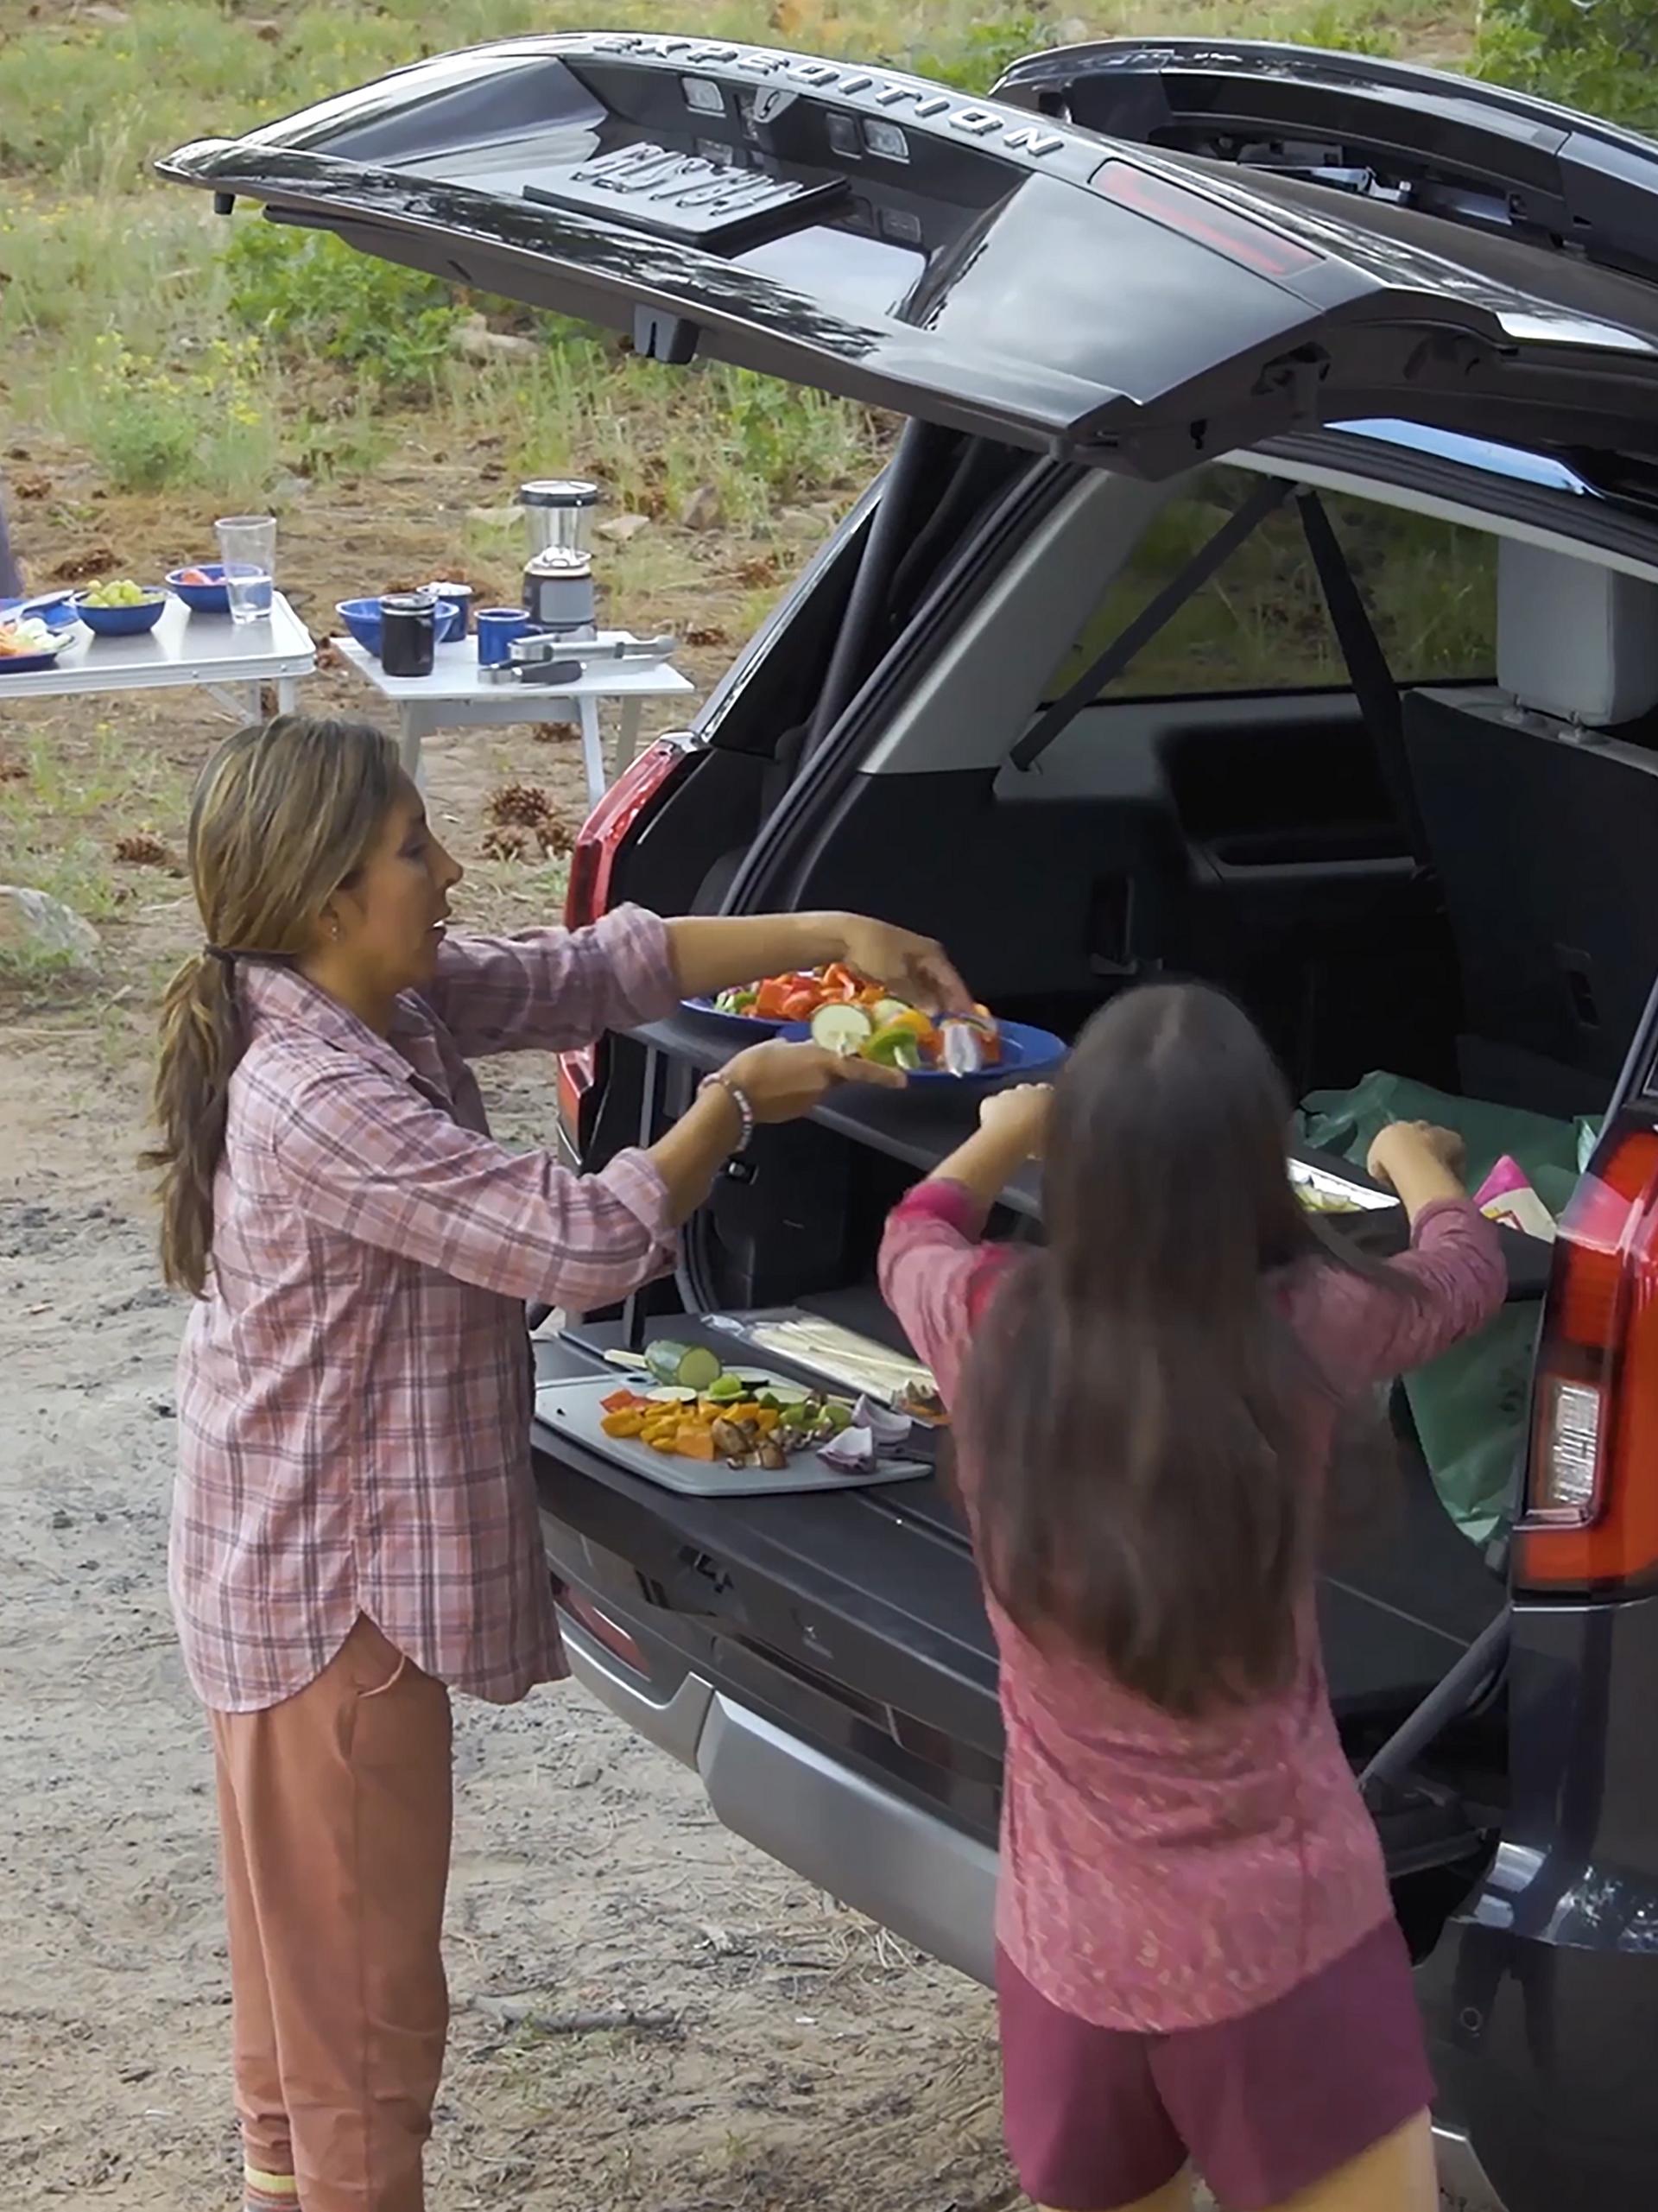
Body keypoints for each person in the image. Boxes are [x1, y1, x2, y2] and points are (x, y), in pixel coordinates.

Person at [147, 713, 972, 2212]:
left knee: (303, 1989)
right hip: (331, 1603)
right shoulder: (319, 1094)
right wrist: (731, 1109)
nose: (452, 868)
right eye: (416, 847)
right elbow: (576, 1240)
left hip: (275, 1573)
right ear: (330, 893)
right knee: (366, 2024)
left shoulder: (353, 1000)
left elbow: (593, 971)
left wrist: (837, 928)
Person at [877, 982, 1507, 2212]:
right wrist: (1413, 1160)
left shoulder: (992, 1325)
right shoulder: (1310, 1324)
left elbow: (914, 1230)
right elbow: (1463, 1276)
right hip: (1284, 1950)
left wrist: (1007, 1128)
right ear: (1255, 1182)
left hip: (1071, 1952)